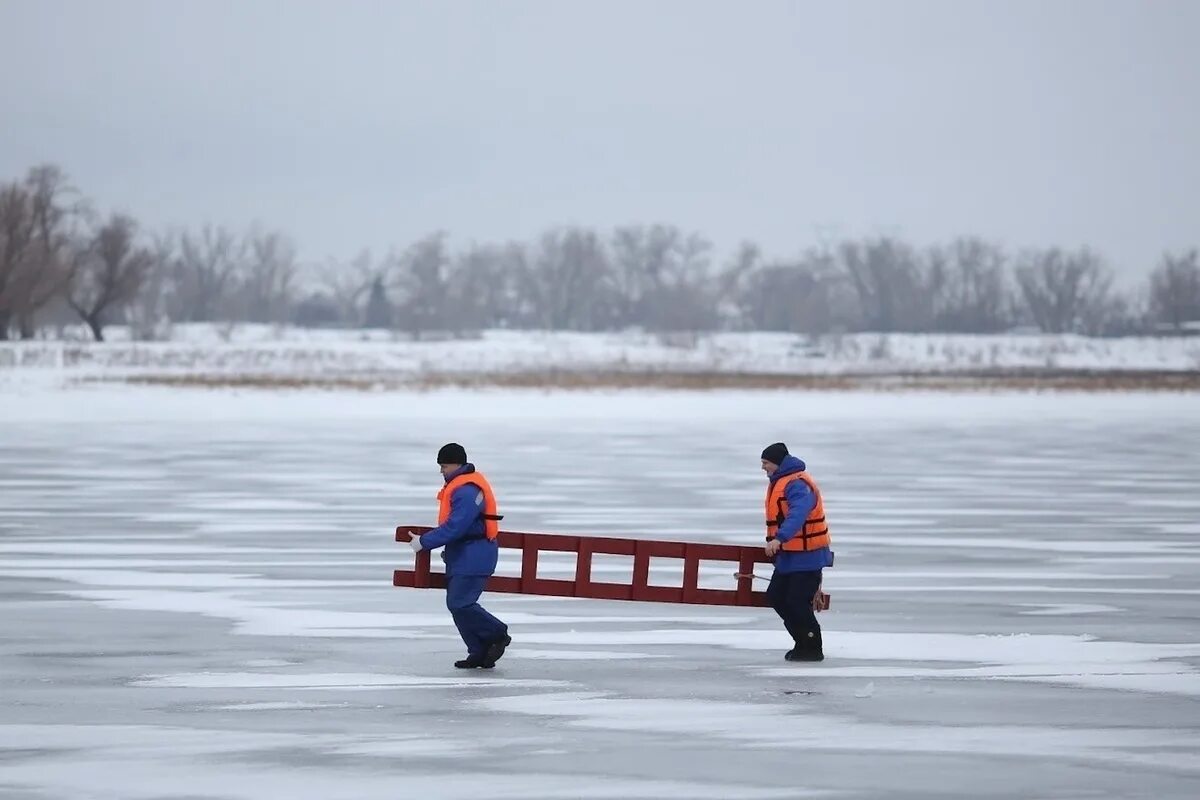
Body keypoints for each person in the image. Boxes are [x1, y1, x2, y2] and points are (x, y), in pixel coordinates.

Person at [405, 443, 511, 669]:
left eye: (444, 466)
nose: (441, 471)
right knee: (457, 604)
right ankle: (479, 651)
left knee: (460, 603)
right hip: (463, 555)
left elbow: (456, 526)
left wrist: (424, 542)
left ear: (457, 464)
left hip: (475, 555)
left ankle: (497, 633)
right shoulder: (459, 487)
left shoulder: (467, 490)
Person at [760, 441, 833, 662]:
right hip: (789, 557)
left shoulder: (797, 484)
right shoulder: (781, 481)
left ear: (778, 463)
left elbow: (798, 515)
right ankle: (801, 641)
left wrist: (779, 538)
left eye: (766, 463)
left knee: (796, 601)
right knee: (777, 597)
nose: (763, 468)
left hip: (807, 557)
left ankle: (812, 647)